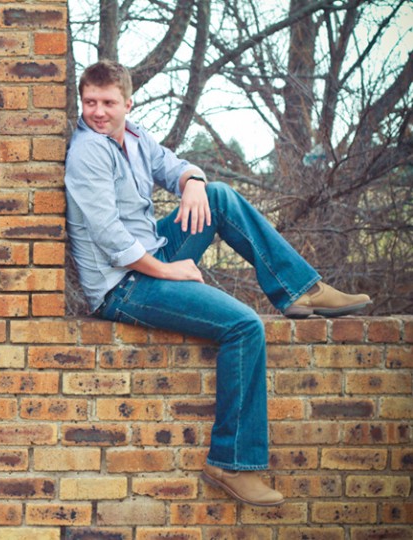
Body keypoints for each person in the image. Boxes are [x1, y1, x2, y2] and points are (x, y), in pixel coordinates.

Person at [65, 60, 371, 506]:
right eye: (89, 102)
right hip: (122, 285)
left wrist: (193, 182)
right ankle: (231, 463)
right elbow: (110, 238)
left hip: (151, 252)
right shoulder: (88, 151)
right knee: (243, 326)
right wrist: (168, 270)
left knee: (218, 197)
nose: (97, 111)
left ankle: (299, 289)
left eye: (107, 102)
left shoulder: (134, 136)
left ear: (128, 104)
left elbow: (176, 166)